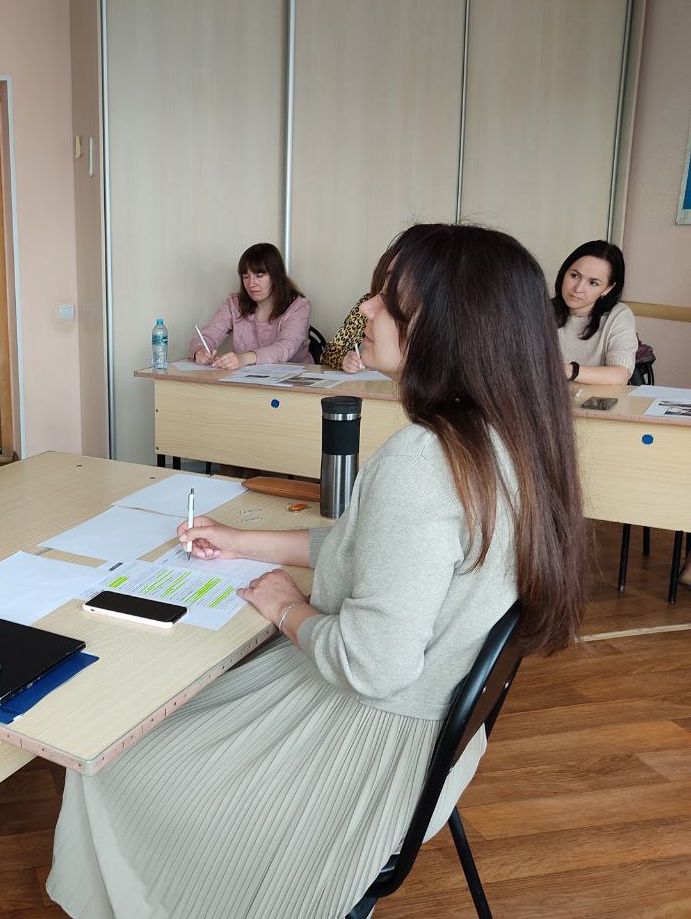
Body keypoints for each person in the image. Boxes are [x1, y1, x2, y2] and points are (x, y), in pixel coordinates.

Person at [46, 224, 587, 919]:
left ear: (446, 326)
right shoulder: (507, 440)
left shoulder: (424, 463)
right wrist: (244, 543)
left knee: (106, 763)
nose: (366, 307)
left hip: (369, 747)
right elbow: (375, 551)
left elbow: (372, 662)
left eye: (388, 297)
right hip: (435, 739)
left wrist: (284, 608)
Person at [189, 242, 311, 370]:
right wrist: (199, 351)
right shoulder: (235, 303)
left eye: (259, 276)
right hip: (246, 379)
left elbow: (285, 347)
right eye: (246, 277)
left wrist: (243, 358)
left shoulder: (299, 306)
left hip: (293, 378)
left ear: (276, 276)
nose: (251, 283)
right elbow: (208, 334)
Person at [552, 240, 637, 385]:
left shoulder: (618, 315)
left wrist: (568, 371)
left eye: (593, 283)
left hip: (595, 399)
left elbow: (620, 375)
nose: (578, 288)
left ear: (608, 288)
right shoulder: (540, 310)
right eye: (574, 276)